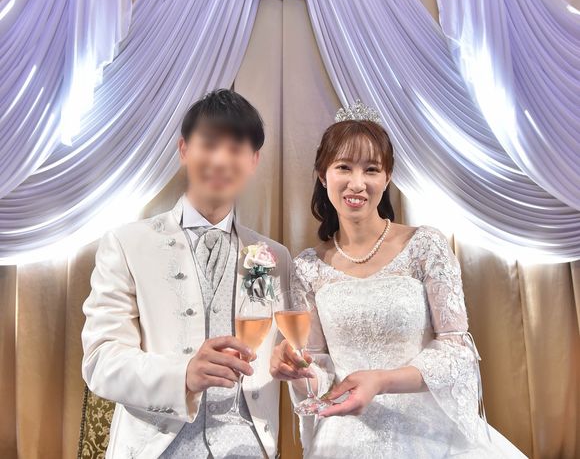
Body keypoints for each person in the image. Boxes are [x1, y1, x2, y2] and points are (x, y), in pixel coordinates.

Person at [270, 102, 527, 458]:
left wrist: (381, 381)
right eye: (344, 167)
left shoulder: (425, 246)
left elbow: (457, 353)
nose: (357, 183)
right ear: (323, 175)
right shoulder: (307, 268)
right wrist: (295, 369)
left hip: (431, 436)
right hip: (346, 437)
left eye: (371, 169)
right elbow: (319, 369)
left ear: (387, 177)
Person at [82, 89, 306, 459]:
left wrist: (285, 359)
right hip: (156, 448)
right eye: (209, 144)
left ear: (253, 160)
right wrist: (182, 373)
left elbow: (280, 351)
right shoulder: (126, 244)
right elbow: (100, 361)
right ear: (184, 149)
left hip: (249, 448)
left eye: (235, 149)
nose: (220, 160)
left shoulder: (272, 256)